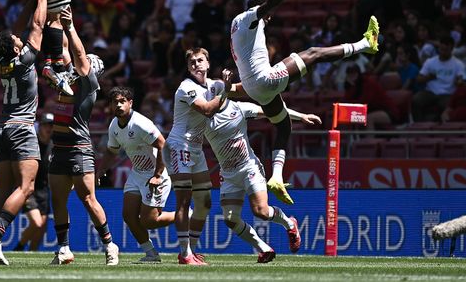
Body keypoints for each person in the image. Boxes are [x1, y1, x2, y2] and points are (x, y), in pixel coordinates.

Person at [229, 0, 379, 204]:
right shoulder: (249, 19)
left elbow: (259, 2)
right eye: (267, 15)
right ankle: (366, 44)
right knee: (314, 53)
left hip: (255, 89)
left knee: (283, 125)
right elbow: (270, 3)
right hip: (264, 79)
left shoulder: (239, 23)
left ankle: (276, 176)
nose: (270, 18)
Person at [203, 72, 312, 263]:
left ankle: (289, 223)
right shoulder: (202, 118)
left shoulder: (240, 108)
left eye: (214, 92)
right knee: (230, 219)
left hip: (249, 167)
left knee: (260, 211)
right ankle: (264, 249)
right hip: (228, 174)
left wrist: (301, 116)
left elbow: (273, 113)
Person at [0, 0, 49, 266]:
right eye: (16, 39)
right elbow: (36, 26)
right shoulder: (24, 61)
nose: (18, 36)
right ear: (16, 47)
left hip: (3, 128)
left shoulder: (2, 62)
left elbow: (18, 29)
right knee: (26, 188)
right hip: (21, 129)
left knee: (3, 191)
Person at [47, 6, 119, 266]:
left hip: (79, 147)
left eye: (85, 62)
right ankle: (64, 248)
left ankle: (110, 245)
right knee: (58, 199)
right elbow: (65, 49)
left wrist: (70, 26)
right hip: (60, 148)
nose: (79, 63)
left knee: (88, 199)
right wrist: (55, 14)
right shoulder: (70, 77)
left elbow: (77, 53)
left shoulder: (89, 84)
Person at [163, 47, 226, 265]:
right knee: (184, 200)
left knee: (205, 202)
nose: (196, 64)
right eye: (191, 62)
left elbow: (236, 89)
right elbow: (208, 109)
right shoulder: (186, 87)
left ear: (208, 64)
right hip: (179, 146)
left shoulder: (213, 85)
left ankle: (192, 249)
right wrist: (225, 91)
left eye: (200, 60)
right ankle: (184, 253)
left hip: (196, 149)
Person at [97, 87, 174, 263]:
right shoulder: (114, 126)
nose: (118, 105)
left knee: (149, 221)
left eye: (122, 101)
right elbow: (111, 151)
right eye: (115, 102)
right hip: (137, 173)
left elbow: (163, 145)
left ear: (130, 103)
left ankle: (185, 215)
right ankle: (151, 254)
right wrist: (101, 170)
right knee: (129, 215)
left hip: (156, 174)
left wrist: (157, 175)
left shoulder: (140, 123)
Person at [14, 112, 53, 251]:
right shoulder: (32, 143)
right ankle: (18, 249)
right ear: (40, 127)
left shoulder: (54, 146)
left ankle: (32, 254)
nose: (49, 128)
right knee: (36, 223)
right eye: (46, 125)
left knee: (42, 227)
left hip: (44, 190)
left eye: (51, 126)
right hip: (28, 188)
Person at [413, 35, 466, 121]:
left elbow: (461, 79)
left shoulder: (458, 64)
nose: (443, 52)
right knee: (416, 100)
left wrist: (458, 81)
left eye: (446, 50)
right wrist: (428, 77)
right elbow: (418, 79)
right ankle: (418, 126)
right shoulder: (430, 61)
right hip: (430, 92)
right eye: (441, 49)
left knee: (449, 106)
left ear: (452, 49)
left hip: (447, 94)